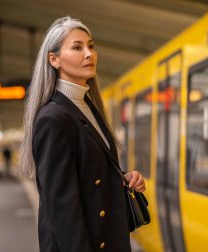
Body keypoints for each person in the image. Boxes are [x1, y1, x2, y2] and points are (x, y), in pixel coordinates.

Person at [20, 17, 146, 251]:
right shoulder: (52, 119)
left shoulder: (87, 106)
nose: (89, 54)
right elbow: (63, 209)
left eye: (91, 46)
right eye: (77, 47)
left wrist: (122, 178)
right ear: (54, 59)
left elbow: (87, 176)